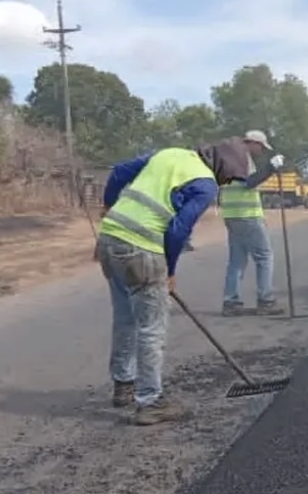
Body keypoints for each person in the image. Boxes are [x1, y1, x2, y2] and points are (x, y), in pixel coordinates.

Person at [95, 140, 249, 425]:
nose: (226, 183)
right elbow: (177, 231)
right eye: (229, 177)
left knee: (126, 317)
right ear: (222, 166)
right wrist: (170, 270)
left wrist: (108, 204)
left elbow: (118, 172)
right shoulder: (206, 185)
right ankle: (150, 401)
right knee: (151, 328)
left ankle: (123, 384)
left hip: (109, 239)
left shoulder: (168, 154)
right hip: (141, 249)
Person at [217, 129, 286, 317]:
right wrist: (271, 168)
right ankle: (266, 301)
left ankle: (231, 302)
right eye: (261, 147)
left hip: (232, 215)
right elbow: (249, 182)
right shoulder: (242, 158)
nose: (261, 151)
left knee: (237, 261)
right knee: (264, 257)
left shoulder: (228, 158)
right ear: (253, 143)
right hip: (246, 215)